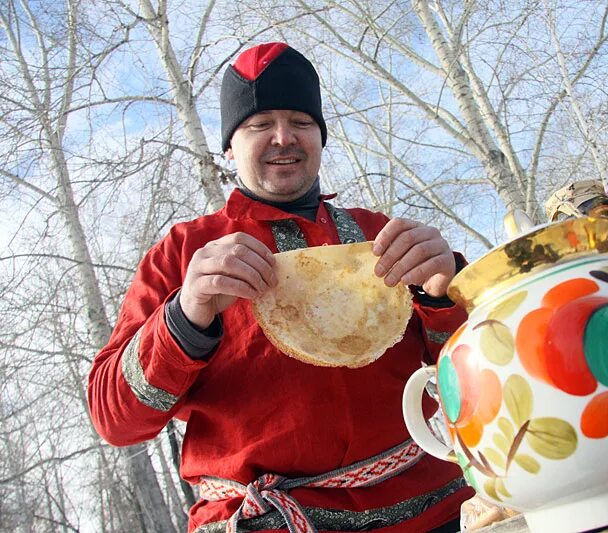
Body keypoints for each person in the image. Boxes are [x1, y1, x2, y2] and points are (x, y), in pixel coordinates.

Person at [87, 42, 474, 533]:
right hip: (264, 520)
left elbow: (477, 375)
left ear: (321, 136)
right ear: (229, 146)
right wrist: (185, 316)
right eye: (259, 125)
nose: (283, 137)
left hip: (435, 510)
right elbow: (114, 420)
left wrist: (442, 296)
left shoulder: (385, 236)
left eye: (301, 121)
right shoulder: (184, 253)